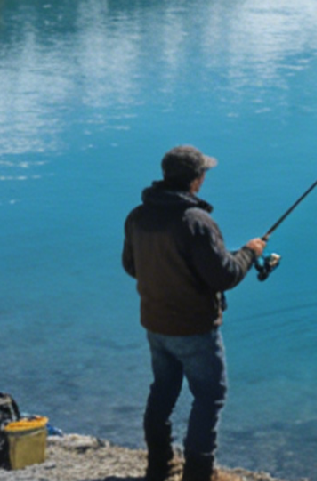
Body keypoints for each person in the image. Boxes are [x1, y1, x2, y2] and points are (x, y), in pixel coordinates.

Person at [122, 145, 267, 481]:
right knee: (210, 396)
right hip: (195, 328)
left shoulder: (138, 216)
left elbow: (132, 266)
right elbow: (224, 275)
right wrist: (250, 251)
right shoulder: (196, 221)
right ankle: (199, 474)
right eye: (204, 174)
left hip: (155, 323)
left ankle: (160, 466)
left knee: (163, 391)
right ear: (196, 181)